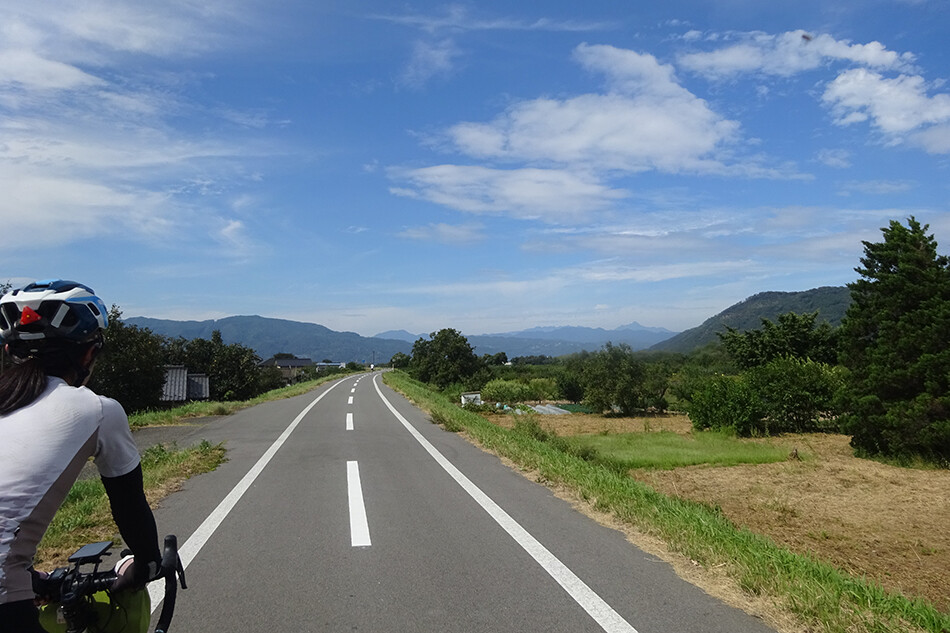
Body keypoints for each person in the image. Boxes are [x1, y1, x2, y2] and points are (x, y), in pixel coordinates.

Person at [0, 280, 161, 632]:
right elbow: (130, 508)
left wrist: (30, 577)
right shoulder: (99, 410)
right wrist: (144, 565)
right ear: (88, 354)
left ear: (11, 350)